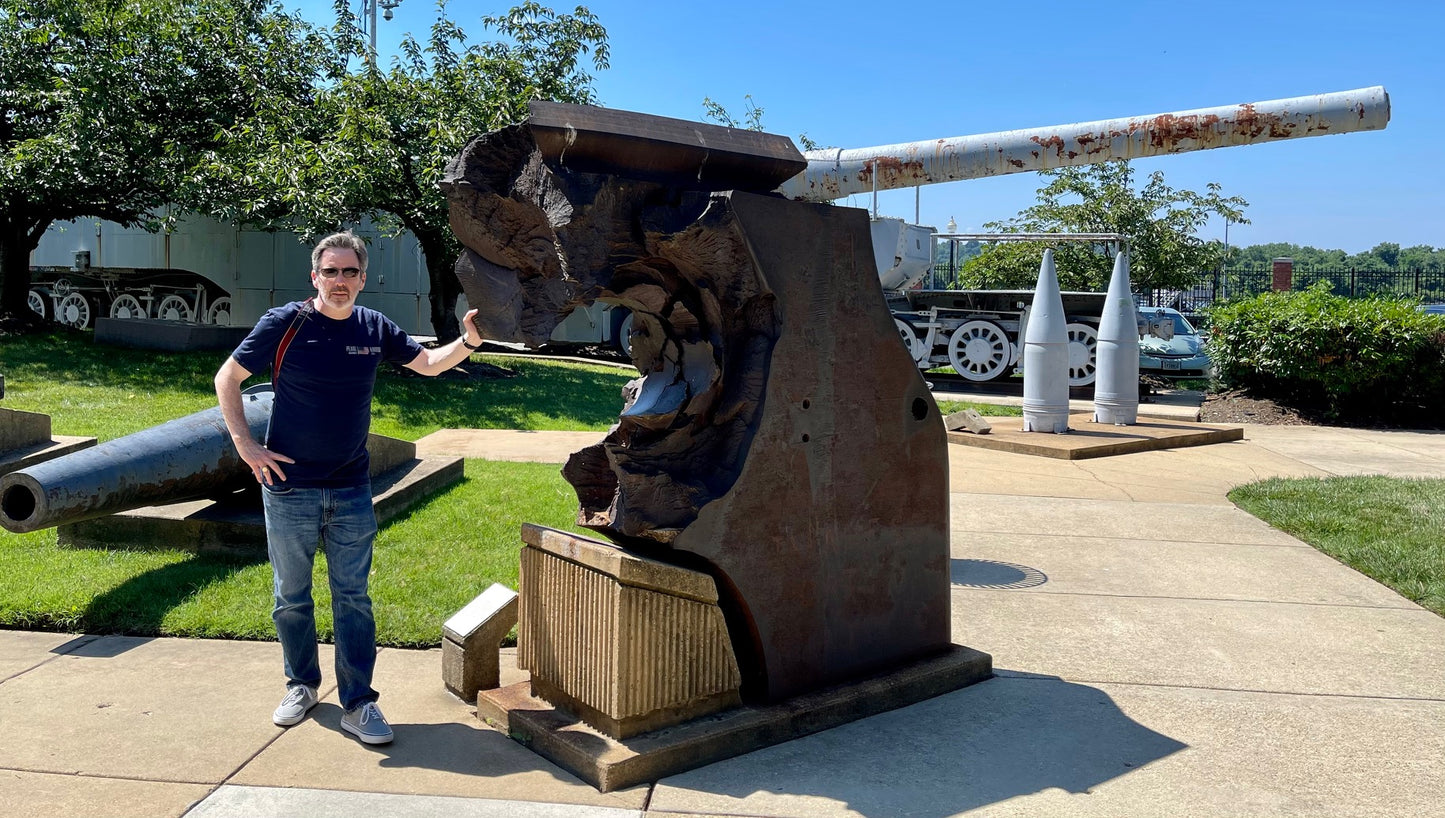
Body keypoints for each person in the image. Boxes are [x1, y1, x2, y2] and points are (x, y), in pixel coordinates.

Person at [214, 231, 484, 745]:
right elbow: (228, 378)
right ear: (314, 277)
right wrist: (247, 446)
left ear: (363, 278)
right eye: (330, 272)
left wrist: (469, 340)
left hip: (351, 488)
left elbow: (427, 364)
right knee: (291, 596)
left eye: (350, 272)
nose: (340, 281)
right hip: (289, 487)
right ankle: (301, 684)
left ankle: (358, 702)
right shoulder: (285, 324)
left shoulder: (373, 327)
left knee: (353, 597)